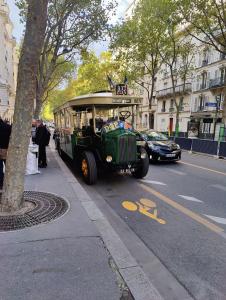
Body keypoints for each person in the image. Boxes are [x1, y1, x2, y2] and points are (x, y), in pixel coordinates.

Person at [0, 117, 11, 189]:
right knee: (8, 166)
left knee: (0, 168)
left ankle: (1, 183)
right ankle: (9, 182)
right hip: (6, 149)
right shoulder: (8, 127)